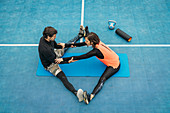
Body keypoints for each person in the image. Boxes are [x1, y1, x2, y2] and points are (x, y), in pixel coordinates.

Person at [56, 32, 120, 104]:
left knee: (102, 79)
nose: (85, 42)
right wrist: (65, 45)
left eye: (87, 41)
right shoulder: (96, 41)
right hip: (114, 56)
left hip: (114, 64)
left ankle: (91, 96)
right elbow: (81, 44)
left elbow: (82, 56)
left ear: (92, 42)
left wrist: (63, 59)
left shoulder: (96, 51)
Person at [38, 26, 89, 102]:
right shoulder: (45, 49)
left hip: (53, 54)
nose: (55, 37)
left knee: (65, 45)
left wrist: (63, 46)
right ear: (48, 36)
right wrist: (67, 62)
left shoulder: (48, 39)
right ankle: (76, 93)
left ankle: (79, 35)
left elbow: (55, 46)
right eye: (54, 36)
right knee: (63, 77)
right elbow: (55, 61)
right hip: (50, 64)